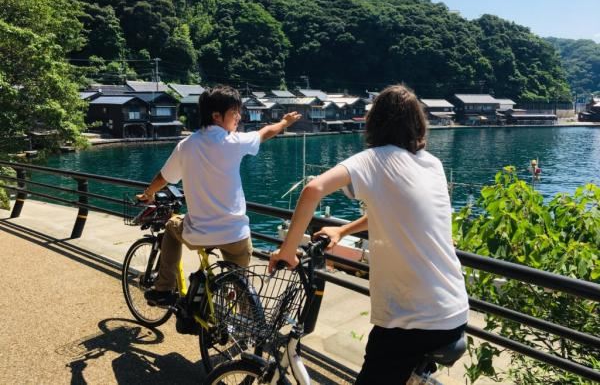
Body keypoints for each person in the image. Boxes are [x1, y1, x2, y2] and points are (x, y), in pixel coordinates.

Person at [269, 84, 469, 384]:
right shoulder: (432, 163)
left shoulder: (374, 159)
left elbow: (312, 190)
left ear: (374, 123)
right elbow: (393, 211)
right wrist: (344, 230)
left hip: (412, 319)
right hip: (454, 310)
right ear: (418, 123)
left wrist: (288, 250)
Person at [141, 85, 301, 307]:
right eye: (235, 112)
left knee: (171, 226)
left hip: (199, 233)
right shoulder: (234, 142)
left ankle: (164, 289)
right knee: (242, 285)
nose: (239, 117)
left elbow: (164, 177)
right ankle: (246, 325)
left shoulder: (186, 146)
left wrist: (148, 193)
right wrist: (285, 122)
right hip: (236, 234)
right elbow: (266, 132)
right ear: (217, 116)